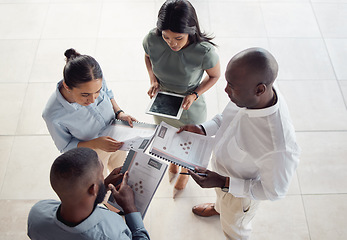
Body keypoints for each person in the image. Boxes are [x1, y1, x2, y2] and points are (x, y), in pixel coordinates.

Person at [178, 48, 300, 239]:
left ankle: (228, 218)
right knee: (222, 201)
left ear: (260, 89)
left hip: (239, 196)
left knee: (234, 229)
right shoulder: (247, 94)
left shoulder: (278, 146)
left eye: (232, 86)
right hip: (219, 177)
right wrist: (202, 129)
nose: (225, 90)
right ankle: (219, 208)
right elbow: (224, 119)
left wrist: (223, 182)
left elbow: (274, 191)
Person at [143, 0, 221, 196]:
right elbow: (147, 57)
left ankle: (185, 171)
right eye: (166, 37)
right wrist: (153, 79)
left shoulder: (204, 51)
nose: (172, 44)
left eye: (178, 38)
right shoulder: (152, 40)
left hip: (189, 103)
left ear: (191, 30)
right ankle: (173, 161)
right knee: (167, 136)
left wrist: (195, 94)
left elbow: (215, 76)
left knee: (189, 141)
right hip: (163, 101)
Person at [43, 48, 137, 174]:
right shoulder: (53, 115)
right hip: (93, 154)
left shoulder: (94, 78)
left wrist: (119, 112)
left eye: (97, 92)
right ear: (67, 86)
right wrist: (96, 143)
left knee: (122, 173)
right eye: (85, 95)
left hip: (116, 136)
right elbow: (65, 147)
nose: (92, 100)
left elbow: (108, 94)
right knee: (102, 186)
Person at [27, 147, 150, 240]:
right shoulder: (110, 235)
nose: (103, 177)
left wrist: (103, 185)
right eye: (101, 175)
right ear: (93, 189)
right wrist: (130, 208)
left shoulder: (37, 213)